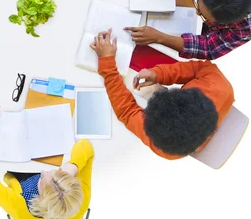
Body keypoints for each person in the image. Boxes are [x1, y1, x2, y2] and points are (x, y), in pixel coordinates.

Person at [92, 29, 234, 159]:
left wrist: (107, 65)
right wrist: (159, 74)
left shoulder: (164, 143)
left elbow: (127, 112)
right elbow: (199, 67)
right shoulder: (220, 84)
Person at [0, 105, 94, 219]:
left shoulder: (17, 204)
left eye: (41, 180)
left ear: (40, 199)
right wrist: (73, 166)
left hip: (19, 174)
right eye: (58, 172)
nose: (42, 171)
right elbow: (86, 145)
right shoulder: (80, 197)